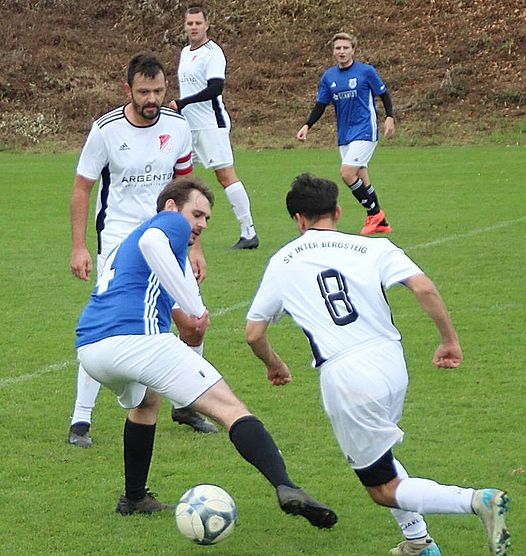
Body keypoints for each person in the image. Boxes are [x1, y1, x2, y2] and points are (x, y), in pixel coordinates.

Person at [245, 173, 511, 556]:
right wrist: (449, 340)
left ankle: (477, 501)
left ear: (298, 219)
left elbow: (254, 333)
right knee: (380, 451)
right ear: (337, 211)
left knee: (381, 487)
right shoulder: (373, 248)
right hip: (391, 360)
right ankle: (418, 541)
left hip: (347, 376)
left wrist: (274, 363)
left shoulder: (282, 261)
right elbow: (423, 287)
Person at [76, 176, 337, 528]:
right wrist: (192, 303)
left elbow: (189, 326)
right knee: (230, 408)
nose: (200, 224)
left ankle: (134, 497)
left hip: (91, 349)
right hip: (136, 340)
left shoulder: (134, 249)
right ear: (171, 207)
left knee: (146, 401)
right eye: (197, 214)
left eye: (207, 219)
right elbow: (157, 246)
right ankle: (287, 487)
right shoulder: (164, 225)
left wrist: (191, 316)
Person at [68, 52, 218, 448]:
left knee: (193, 318)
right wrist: (79, 246)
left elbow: (190, 191)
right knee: (110, 324)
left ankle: (186, 404)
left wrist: (196, 246)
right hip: (119, 240)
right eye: (144, 91)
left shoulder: (178, 127)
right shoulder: (105, 130)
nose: (152, 98)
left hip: (170, 240)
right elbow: (82, 188)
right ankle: (80, 420)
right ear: (128, 90)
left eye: (158, 90)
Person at [168, 5, 258, 250]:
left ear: (206, 25)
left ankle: (248, 232)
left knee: (225, 176)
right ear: (184, 26)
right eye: (189, 23)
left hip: (211, 125)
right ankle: (175, 229)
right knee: (176, 175)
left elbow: (215, 89)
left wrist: (182, 103)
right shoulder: (185, 52)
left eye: (198, 23)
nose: (193, 27)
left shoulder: (213, 53)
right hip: (188, 127)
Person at [295, 33, 395, 237]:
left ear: (353, 50)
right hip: (344, 134)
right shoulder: (329, 77)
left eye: (345, 48)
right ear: (333, 52)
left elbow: (383, 94)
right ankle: (380, 221)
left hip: (365, 130)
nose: (341, 52)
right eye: (338, 48)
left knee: (347, 173)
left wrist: (389, 116)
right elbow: (321, 104)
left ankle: (375, 214)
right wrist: (307, 125)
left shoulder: (366, 71)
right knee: (360, 175)